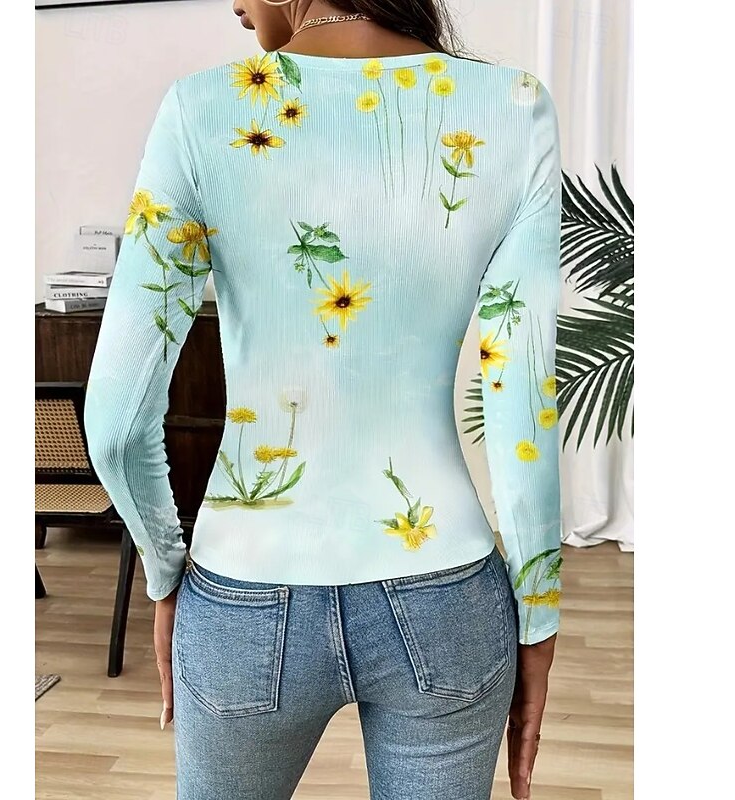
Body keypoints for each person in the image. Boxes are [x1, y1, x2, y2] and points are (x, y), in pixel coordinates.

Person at [84, 1, 563, 798]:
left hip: (243, 593)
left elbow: (115, 422)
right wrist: (538, 616)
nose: (234, 6)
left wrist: (165, 574)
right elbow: (523, 399)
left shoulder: (200, 109)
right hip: (446, 592)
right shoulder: (514, 107)